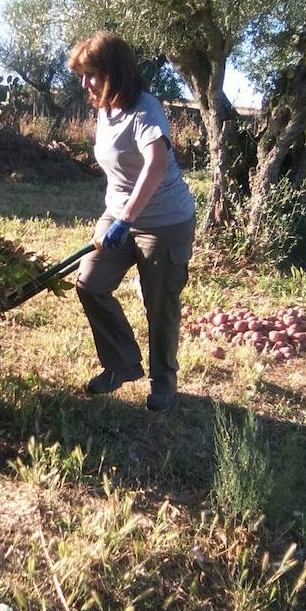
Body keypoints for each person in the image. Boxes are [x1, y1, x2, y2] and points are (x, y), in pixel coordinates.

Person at [68, 31, 195, 412]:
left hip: (165, 221)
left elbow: (155, 163)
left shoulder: (145, 109)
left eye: (91, 73)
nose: (85, 83)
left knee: (160, 304)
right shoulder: (104, 111)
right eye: (82, 75)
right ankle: (122, 364)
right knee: (90, 281)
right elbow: (119, 174)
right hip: (120, 214)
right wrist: (113, 217)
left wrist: (125, 218)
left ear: (114, 72)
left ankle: (163, 383)